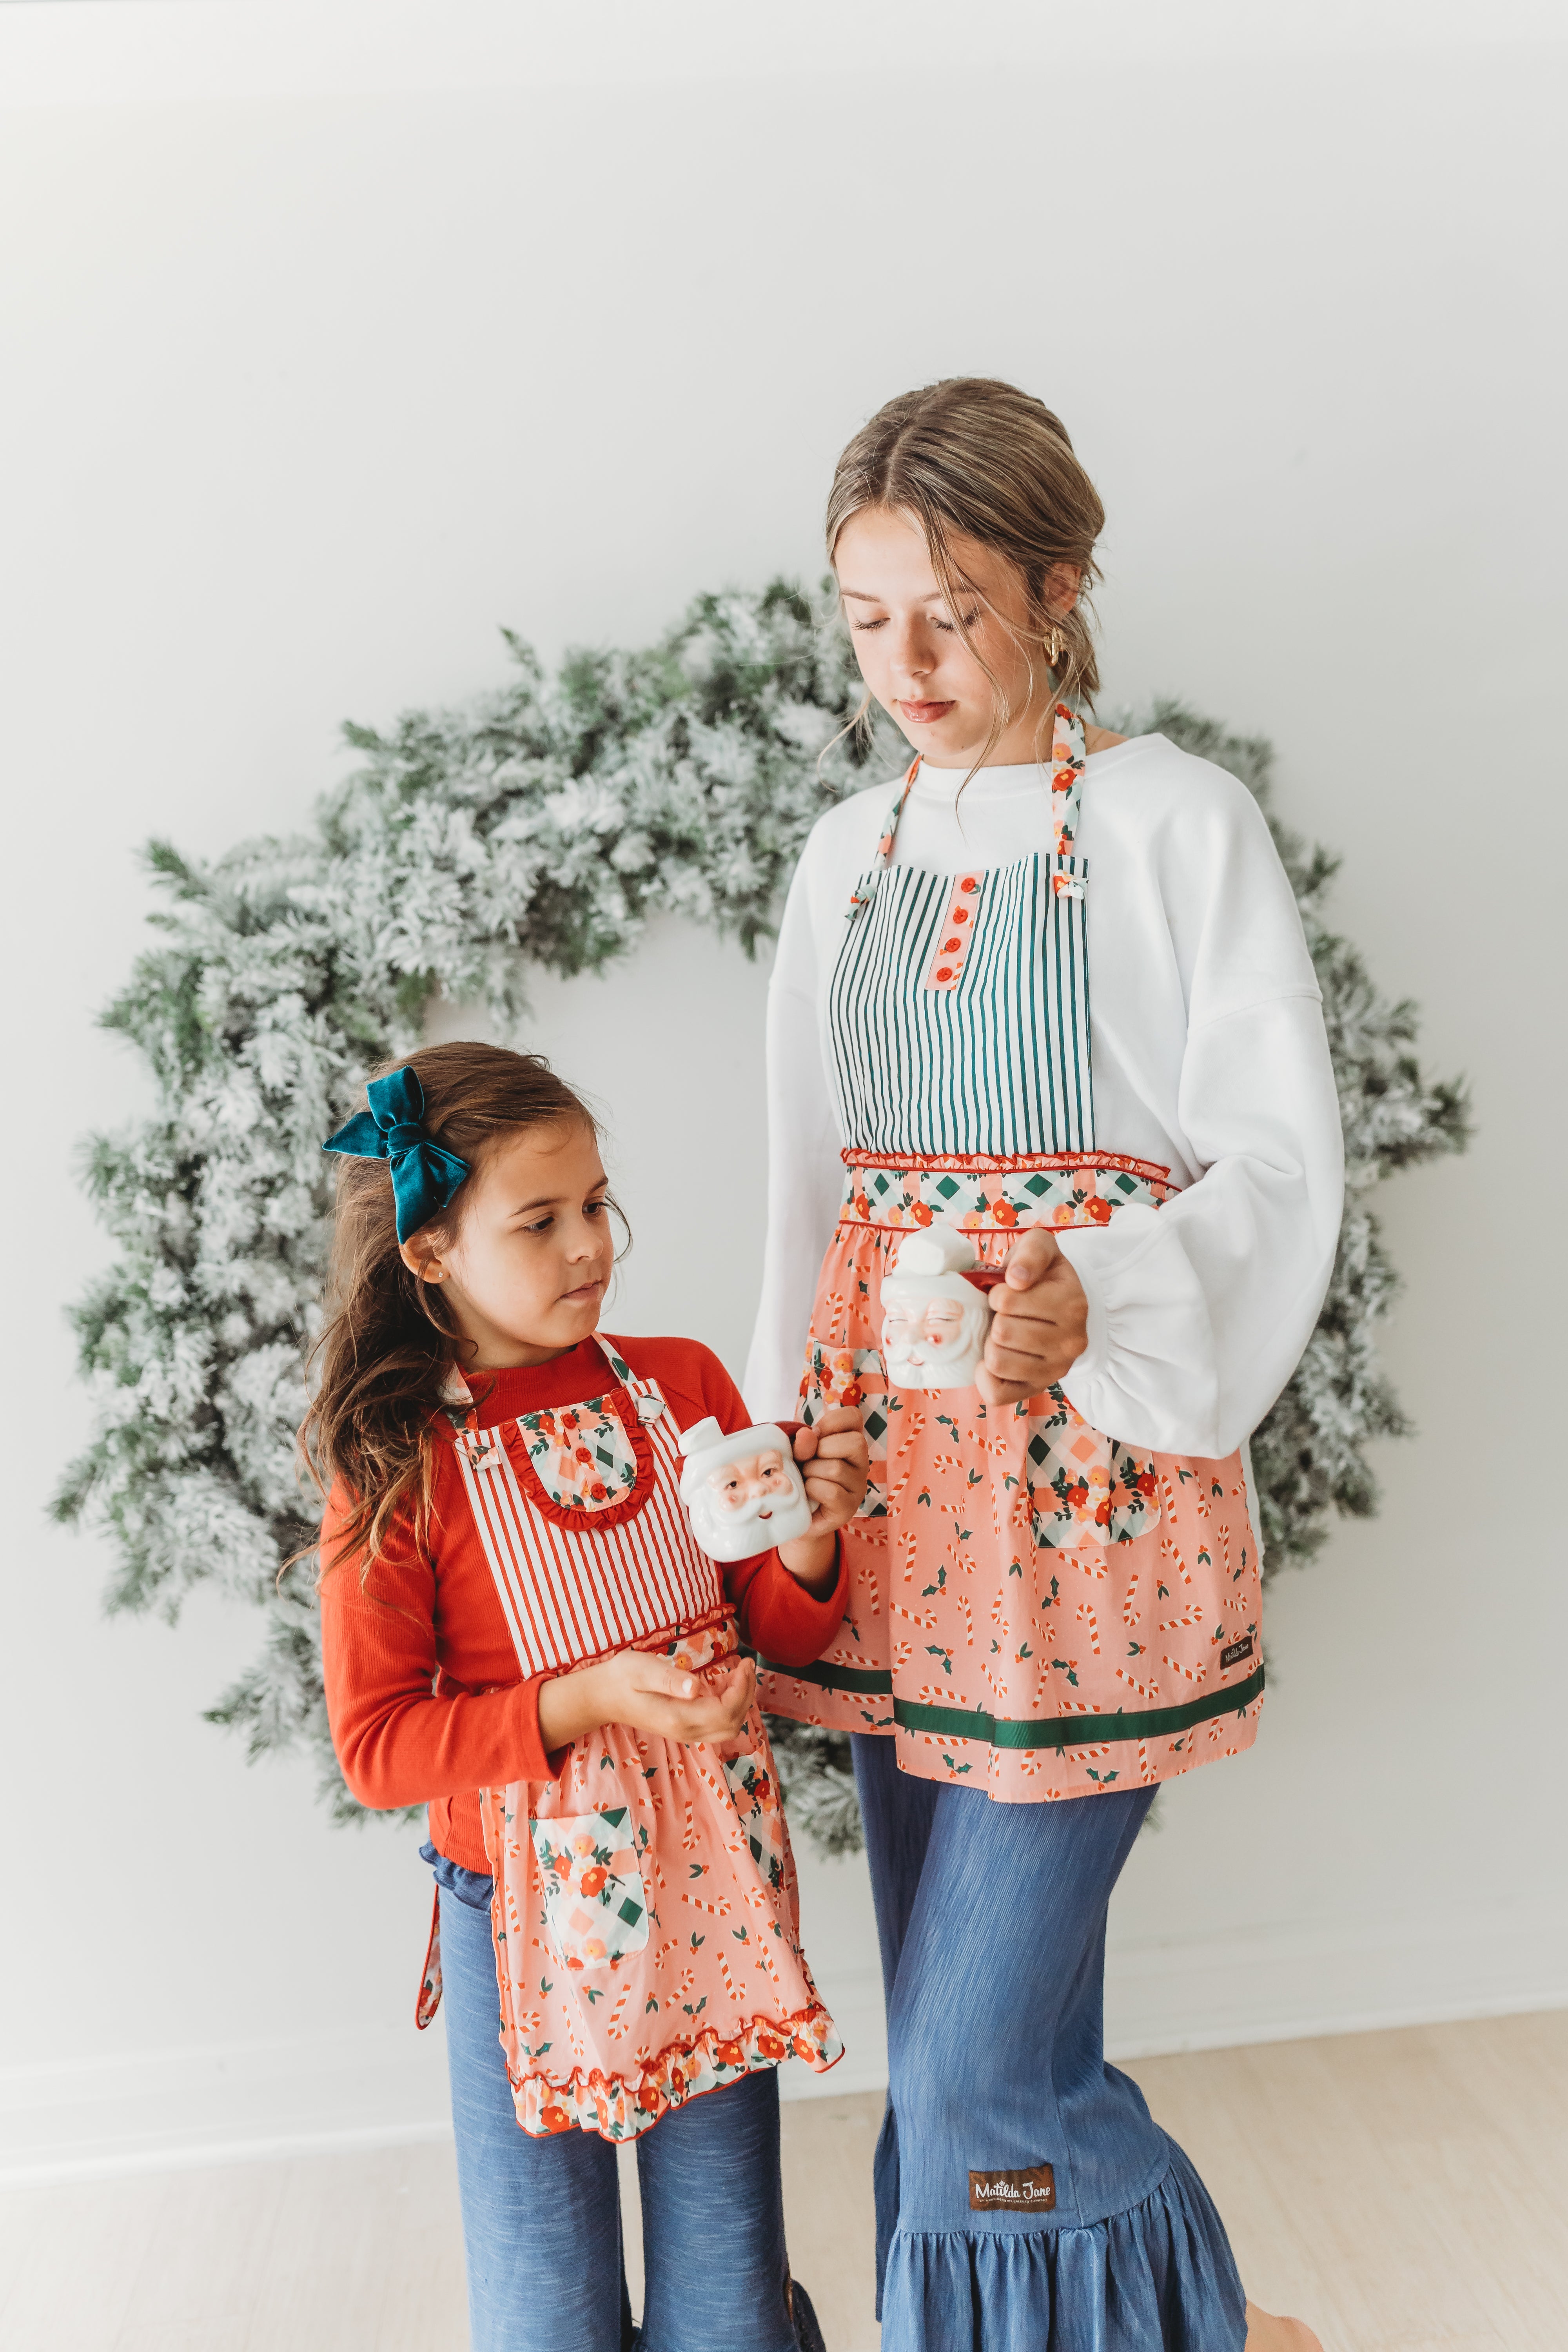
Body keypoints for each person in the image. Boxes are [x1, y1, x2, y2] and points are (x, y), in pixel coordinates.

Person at [746, 378, 1339, 2352]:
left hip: (1094, 1514)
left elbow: (1275, 1162)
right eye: (861, 616)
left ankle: (1208, 2331)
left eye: (952, 609)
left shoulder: (1177, 823)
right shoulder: (846, 857)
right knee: (948, 2060)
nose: (901, 664)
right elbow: (807, 1189)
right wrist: (775, 1464)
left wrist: (1097, 1288)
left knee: (986, 2083)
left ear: (1062, 589)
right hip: (900, 1510)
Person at [314, 1042, 869, 2352]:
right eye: (540, 1220)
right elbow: (380, 1749)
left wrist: (805, 1543)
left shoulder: (680, 1388)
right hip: (515, 1923)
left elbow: (776, 1640)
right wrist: (576, 1703)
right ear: (430, 1252)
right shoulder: (398, 1462)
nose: (588, 1247)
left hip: (706, 1894)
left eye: (597, 1207)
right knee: (544, 2308)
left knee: (727, 2297)